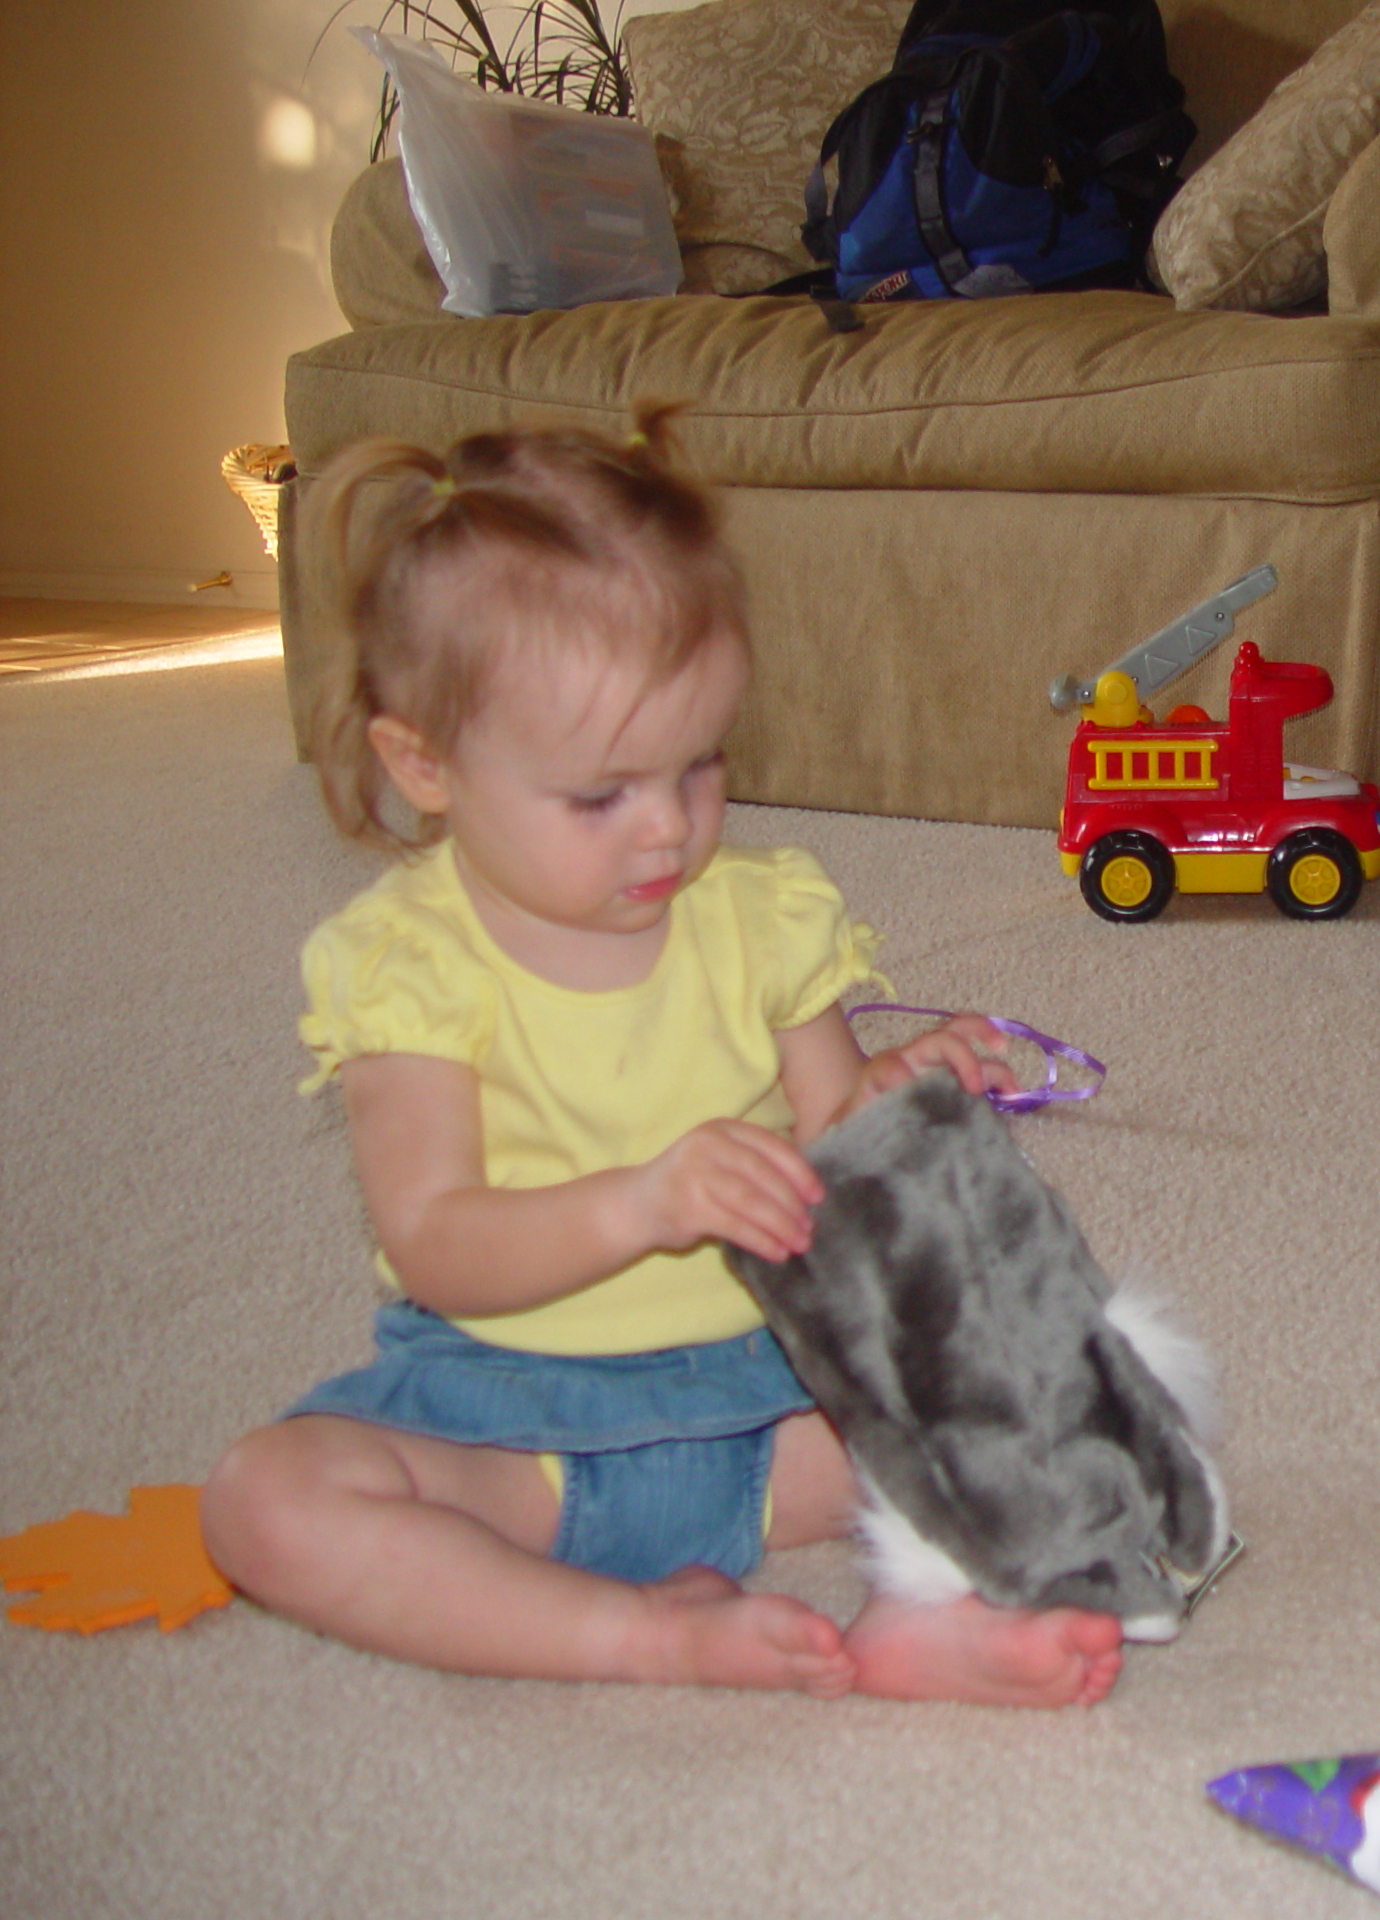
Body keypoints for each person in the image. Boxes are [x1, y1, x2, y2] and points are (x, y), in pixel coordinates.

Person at [198, 409, 1123, 1706]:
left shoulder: (764, 919)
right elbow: (437, 1240)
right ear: (424, 764)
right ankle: (637, 1635)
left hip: (772, 1406)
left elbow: (829, 1147)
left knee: (1062, 1395)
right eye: (599, 793)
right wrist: (643, 1200)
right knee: (265, 1503)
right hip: (507, 1426)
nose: (666, 832)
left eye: (699, 767)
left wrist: (902, 1094)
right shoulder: (408, 967)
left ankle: (918, 1622)